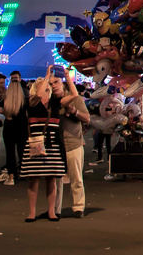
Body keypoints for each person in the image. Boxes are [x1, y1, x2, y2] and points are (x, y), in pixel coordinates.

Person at [24, 75, 67, 222]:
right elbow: (37, 95)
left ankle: (51, 211)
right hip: (35, 145)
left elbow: (72, 95)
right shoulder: (32, 102)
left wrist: (66, 77)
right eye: (44, 86)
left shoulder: (54, 103)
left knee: (51, 180)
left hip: (52, 146)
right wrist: (46, 76)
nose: (47, 88)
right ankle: (31, 212)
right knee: (33, 180)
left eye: (48, 87)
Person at [55, 69, 90, 218]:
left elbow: (87, 119)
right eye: (51, 84)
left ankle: (78, 207)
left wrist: (74, 112)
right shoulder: (51, 101)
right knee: (56, 180)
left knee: (76, 177)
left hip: (73, 142)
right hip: (56, 145)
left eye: (56, 82)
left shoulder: (75, 99)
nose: (54, 86)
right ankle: (55, 209)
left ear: (63, 84)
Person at [0, 74, 27, 186]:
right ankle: (23, 173)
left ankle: (11, 177)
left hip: (9, 126)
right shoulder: (24, 100)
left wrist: (6, 113)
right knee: (22, 152)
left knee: (10, 152)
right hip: (22, 126)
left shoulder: (5, 99)